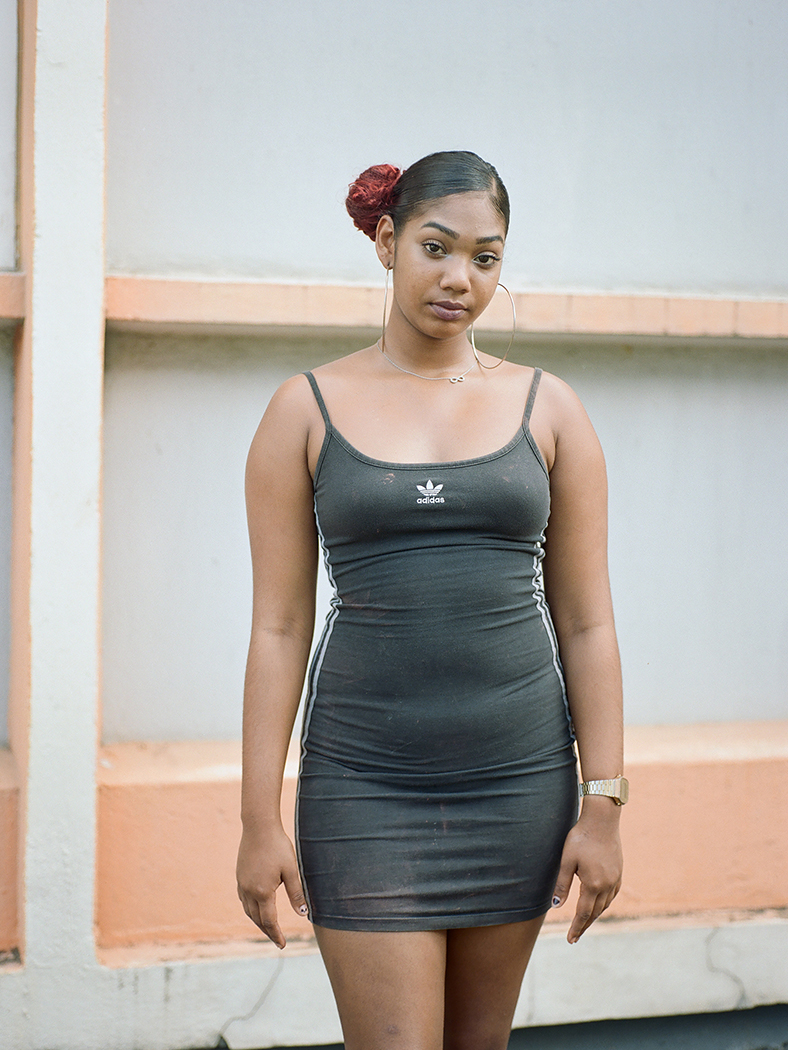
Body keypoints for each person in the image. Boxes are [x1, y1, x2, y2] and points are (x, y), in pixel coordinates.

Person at [236, 150, 625, 1050]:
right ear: (386, 241)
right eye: (436, 247)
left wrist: (602, 806)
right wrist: (258, 821)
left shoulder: (550, 409)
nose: (460, 278)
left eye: (486, 258)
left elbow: (588, 622)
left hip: (520, 787)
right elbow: (278, 628)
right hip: (363, 789)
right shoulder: (304, 409)